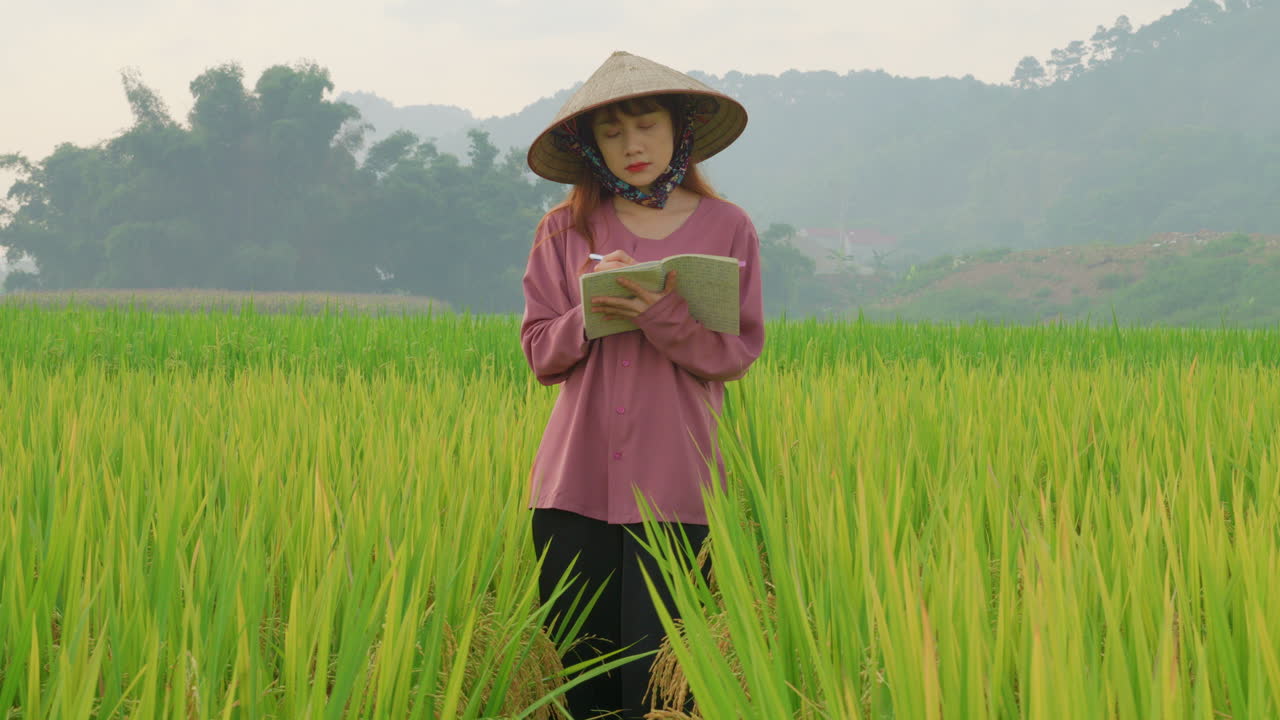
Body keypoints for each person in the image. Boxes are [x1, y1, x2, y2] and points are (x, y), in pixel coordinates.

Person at [520, 51, 764, 719]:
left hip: (678, 490)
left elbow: (734, 352)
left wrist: (658, 314)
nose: (632, 145)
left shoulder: (727, 227)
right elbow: (541, 353)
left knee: (664, 690)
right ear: (589, 146)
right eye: (612, 132)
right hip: (573, 490)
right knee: (584, 685)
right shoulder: (563, 231)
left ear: (680, 129)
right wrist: (594, 314)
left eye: (647, 125)